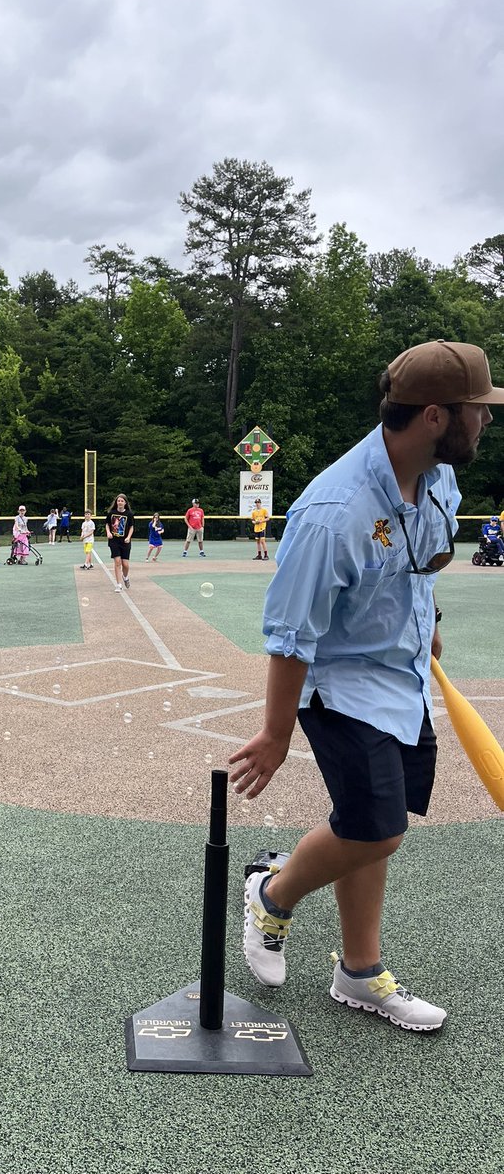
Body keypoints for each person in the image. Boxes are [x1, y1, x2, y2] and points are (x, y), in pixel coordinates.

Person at [229, 339, 502, 1033]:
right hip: (337, 685)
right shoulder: (335, 510)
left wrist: (428, 617)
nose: (488, 422)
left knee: (373, 825)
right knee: (377, 827)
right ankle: (271, 894)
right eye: (480, 410)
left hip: (400, 677)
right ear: (437, 415)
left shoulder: (437, 477)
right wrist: (276, 733)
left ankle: (357, 970)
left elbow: (423, 557)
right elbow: (291, 631)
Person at [104, 493, 134, 592]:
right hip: (114, 541)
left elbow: (131, 527)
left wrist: (129, 537)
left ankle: (125, 577)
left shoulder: (129, 514)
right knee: (117, 562)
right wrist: (108, 532)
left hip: (125, 541)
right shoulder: (111, 513)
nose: (120, 502)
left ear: (125, 503)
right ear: (116, 502)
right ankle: (118, 584)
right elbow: (107, 524)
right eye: (118, 501)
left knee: (125, 564)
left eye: (122, 501)